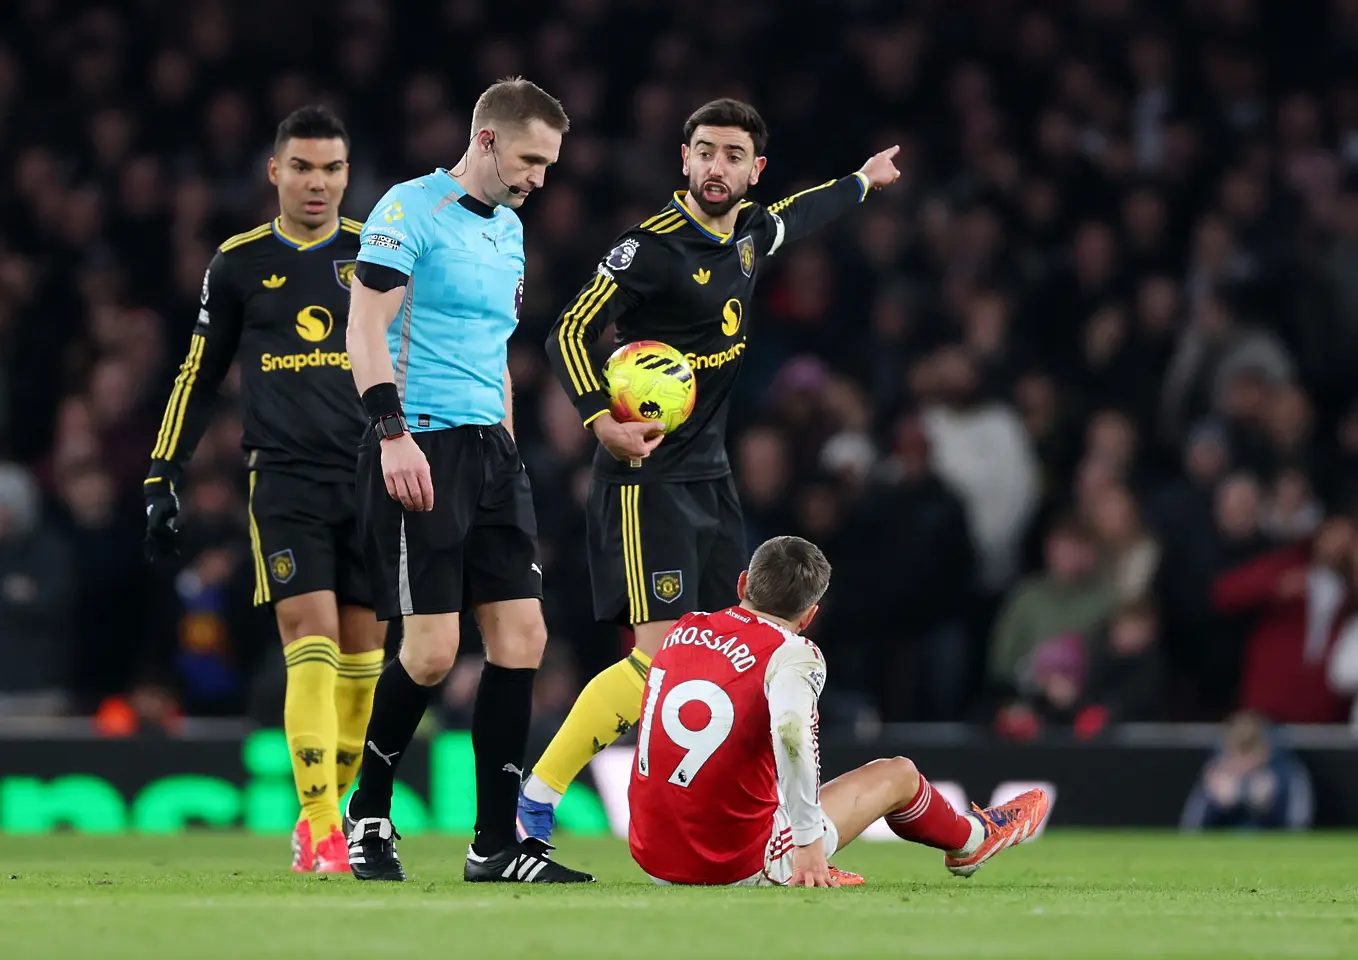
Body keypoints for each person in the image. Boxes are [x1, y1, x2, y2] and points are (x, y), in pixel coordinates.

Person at [521, 98, 902, 837]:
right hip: (645, 481)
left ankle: (736, 818)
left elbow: (801, 213)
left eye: (732, 155)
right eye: (704, 151)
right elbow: (568, 328)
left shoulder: (752, 233)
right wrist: (602, 421)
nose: (715, 166)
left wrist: (860, 181)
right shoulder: (649, 248)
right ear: (684, 159)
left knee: (734, 654)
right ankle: (538, 797)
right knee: (658, 662)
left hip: (712, 480)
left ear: (752, 169)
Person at [342, 77, 590, 884]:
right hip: (420, 446)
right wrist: (392, 436)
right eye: (529, 159)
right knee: (432, 652)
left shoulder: (510, 231)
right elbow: (365, 328)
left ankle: (494, 845)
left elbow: (494, 353)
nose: (538, 178)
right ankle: (369, 811)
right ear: (486, 139)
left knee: (524, 640)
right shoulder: (408, 210)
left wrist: (510, 445)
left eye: (548, 164)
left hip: (491, 452)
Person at [143, 106, 384, 874]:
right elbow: (198, 374)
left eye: (332, 169)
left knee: (365, 656)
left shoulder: (378, 256)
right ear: (274, 172)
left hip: (374, 476)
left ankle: (334, 815)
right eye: (303, 168)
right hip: (284, 479)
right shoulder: (239, 263)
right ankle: (319, 826)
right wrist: (163, 470)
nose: (318, 183)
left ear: (348, 176)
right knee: (307, 639)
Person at [628, 536, 1050, 886]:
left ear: (742, 586)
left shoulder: (685, 627)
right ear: (810, 615)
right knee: (898, 773)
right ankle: (972, 840)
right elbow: (791, 733)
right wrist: (808, 844)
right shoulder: (792, 652)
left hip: (651, 856)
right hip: (729, 866)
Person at [1180, 711, 1313, 831]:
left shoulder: (1286, 772)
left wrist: (1272, 805)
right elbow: (1191, 827)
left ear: (1263, 751)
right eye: (1235, 755)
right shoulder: (1217, 773)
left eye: (1247, 754)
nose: (1242, 764)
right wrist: (1215, 804)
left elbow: (1299, 826)